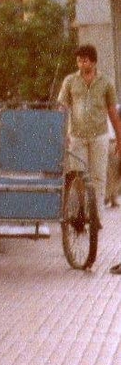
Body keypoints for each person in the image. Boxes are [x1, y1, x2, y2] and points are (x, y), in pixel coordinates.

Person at [54, 44, 121, 273]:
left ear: (93, 61)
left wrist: (120, 140)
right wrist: (59, 133)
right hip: (78, 137)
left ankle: (96, 218)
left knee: (99, 177)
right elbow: (62, 108)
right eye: (79, 61)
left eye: (85, 60)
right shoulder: (70, 82)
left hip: (100, 136)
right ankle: (81, 209)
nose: (82, 64)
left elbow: (113, 112)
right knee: (80, 177)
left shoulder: (106, 83)